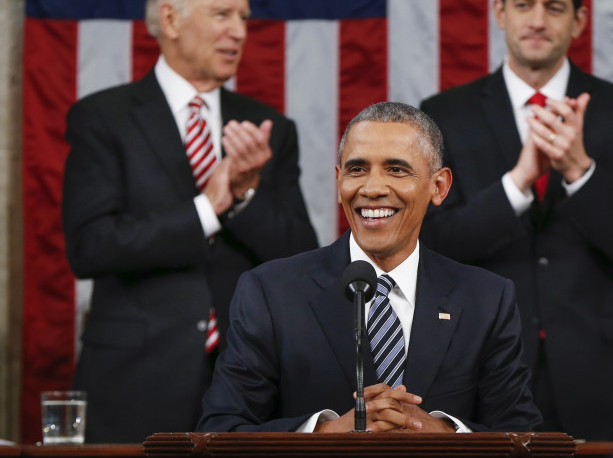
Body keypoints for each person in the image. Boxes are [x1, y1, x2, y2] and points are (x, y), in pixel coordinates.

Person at [61, 0, 318, 443]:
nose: (239, 32)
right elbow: (90, 245)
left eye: (243, 17)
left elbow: (300, 254)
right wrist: (208, 206)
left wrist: (244, 195)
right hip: (135, 378)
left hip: (249, 377)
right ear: (170, 19)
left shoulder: (270, 128)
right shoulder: (104, 118)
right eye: (222, 14)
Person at [419, 0, 613, 441]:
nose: (537, 20)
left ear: (578, 21)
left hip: (606, 370)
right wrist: (518, 183)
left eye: (554, 8)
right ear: (499, 13)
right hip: (482, 369)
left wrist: (580, 170)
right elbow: (435, 245)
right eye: (524, 5)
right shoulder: (445, 114)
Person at [197, 102, 542, 433]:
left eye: (396, 169)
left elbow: (519, 435)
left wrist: (446, 433)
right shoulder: (269, 292)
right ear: (338, 182)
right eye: (357, 169)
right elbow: (222, 429)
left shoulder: (487, 298)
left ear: (438, 186)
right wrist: (324, 432)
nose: (372, 188)